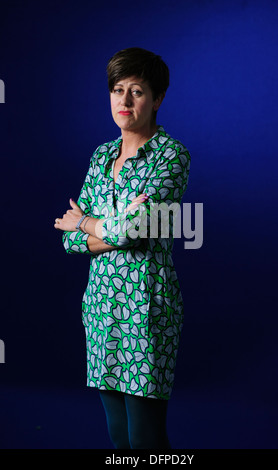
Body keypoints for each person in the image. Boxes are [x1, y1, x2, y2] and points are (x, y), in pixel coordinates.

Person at [54, 47, 191, 449]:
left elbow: (135, 229)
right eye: (118, 90)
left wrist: (84, 221)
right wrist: (106, 228)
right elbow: (70, 241)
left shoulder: (171, 156)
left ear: (158, 99)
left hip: (147, 309)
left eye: (137, 91)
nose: (125, 101)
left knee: (146, 436)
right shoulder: (101, 157)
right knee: (117, 434)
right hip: (100, 306)